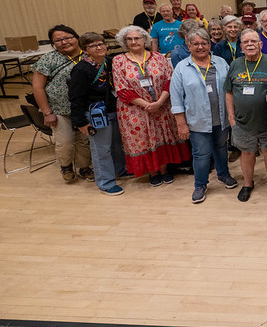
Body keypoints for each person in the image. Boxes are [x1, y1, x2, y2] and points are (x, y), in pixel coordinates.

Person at [112, 26, 190, 184]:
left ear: (144, 40)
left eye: (137, 38)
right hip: (135, 110)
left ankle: (164, 169)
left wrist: (160, 102)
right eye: (129, 39)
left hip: (162, 106)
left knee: (163, 136)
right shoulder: (118, 61)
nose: (134, 41)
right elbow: (121, 88)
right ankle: (153, 173)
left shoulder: (158, 57)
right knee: (143, 140)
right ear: (124, 42)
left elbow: (170, 80)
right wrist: (147, 105)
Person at [171, 28, 239, 203]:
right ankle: (200, 185)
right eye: (196, 44)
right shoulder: (182, 68)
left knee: (221, 148)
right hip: (197, 120)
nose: (200, 47)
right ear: (188, 46)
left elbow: (231, 88)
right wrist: (181, 124)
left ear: (210, 44)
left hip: (221, 118)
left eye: (204, 43)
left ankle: (223, 174)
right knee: (201, 154)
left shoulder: (220, 62)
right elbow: (176, 98)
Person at [224, 29, 267, 203]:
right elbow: (229, 92)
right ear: (241, 46)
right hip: (242, 122)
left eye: (253, 41)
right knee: (246, 153)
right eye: (246, 42)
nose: (249, 44)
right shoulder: (235, 65)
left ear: (260, 44)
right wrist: (231, 118)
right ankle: (248, 183)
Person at [32, 24, 92, 183]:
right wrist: (47, 112)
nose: (64, 42)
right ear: (53, 44)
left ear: (76, 37)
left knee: (84, 141)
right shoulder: (48, 59)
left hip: (86, 107)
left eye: (68, 38)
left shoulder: (89, 55)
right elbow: (37, 87)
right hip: (60, 110)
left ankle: (85, 167)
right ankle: (66, 166)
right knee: (65, 141)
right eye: (58, 40)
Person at [68, 32, 125, 195]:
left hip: (113, 109)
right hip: (95, 114)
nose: (99, 47)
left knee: (116, 145)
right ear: (85, 50)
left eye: (101, 44)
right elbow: (75, 97)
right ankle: (105, 182)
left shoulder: (109, 62)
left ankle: (119, 170)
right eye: (93, 45)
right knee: (102, 149)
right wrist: (80, 122)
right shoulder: (81, 69)